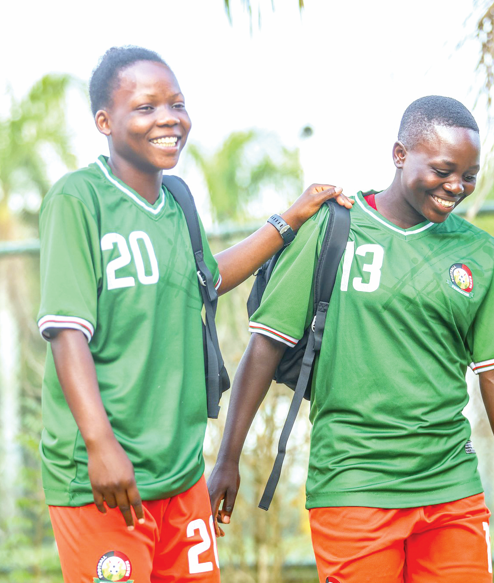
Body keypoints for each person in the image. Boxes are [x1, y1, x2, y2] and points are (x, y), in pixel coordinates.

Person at [37, 45, 351, 583]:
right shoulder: (78, 198)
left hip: (179, 472)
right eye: (146, 107)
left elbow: (208, 279)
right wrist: (100, 445)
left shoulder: (178, 198)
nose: (168, 119)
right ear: (104, 121)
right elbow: (67, 334)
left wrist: (290, 219)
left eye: (176, 104)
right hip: (106, 478)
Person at [208, 96, 494, 582]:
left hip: (450, 487)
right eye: (445, 170)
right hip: (354, 484)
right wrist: (227, 459)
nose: (457, 187)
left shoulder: (477, 252)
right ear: (400, 154)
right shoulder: (332, 227)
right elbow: (266, 346)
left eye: (469, 176)